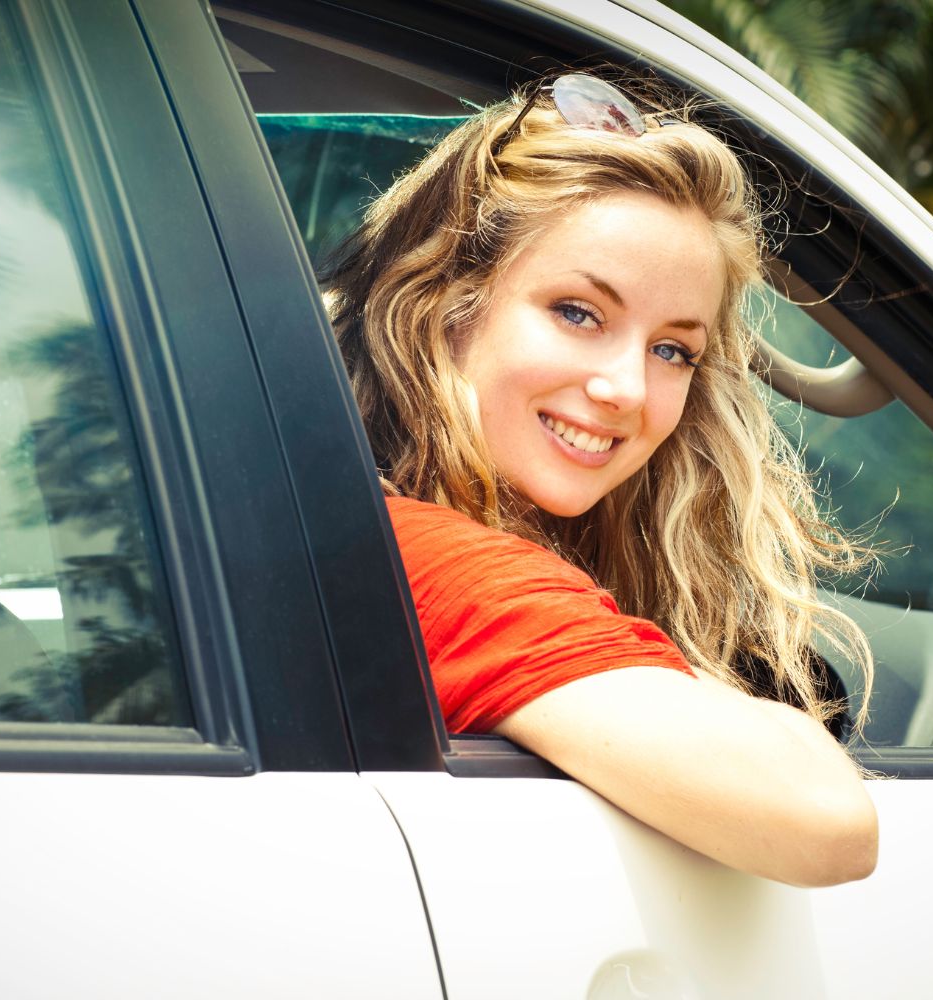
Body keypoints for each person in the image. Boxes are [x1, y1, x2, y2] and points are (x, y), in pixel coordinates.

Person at [324, 73, 878, 888]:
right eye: (578, 313)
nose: (626, 389)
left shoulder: (350, 515)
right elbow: (829, 824)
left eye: (672, 350)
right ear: (443, 304)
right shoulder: (429, 561)